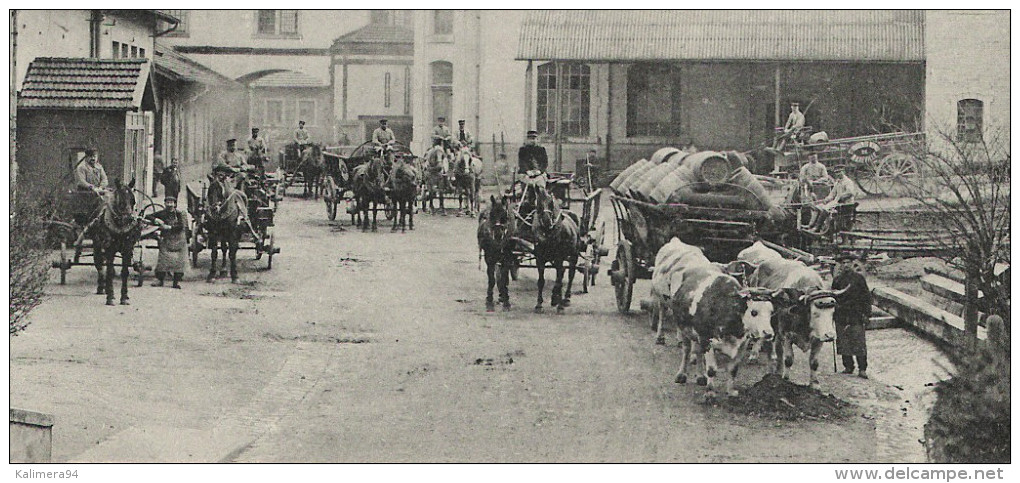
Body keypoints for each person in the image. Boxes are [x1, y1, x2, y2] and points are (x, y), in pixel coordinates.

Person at [832, 252, 871, 379]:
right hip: (842, 314)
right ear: (840, 265)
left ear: (852, 264)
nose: (846, 265)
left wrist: (867, 313)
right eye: (843, 263)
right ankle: (848, 366)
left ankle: (862, 369)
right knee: (844, 341)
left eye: (848, 262)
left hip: (856, 313)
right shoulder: (837, 280)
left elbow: (866, 296)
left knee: (858, 341)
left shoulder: (859, 279)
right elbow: (833, 296)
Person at [147, 196, 188, 289]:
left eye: (171, 202)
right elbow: (147, 216)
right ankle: (160, 280)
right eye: (167, 202)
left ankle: (176, 282)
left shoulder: (180, 214)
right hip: (166, 239)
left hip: (179, 240)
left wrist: (169, 227)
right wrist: (156, 219)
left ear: (175, 204)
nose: (169, 204)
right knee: (163, 260)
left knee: (179, 261)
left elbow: (181, 226)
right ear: (165, 204)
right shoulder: (162, 213)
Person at [805, 169, 862, 233]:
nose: (838, 174)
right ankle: (811, 225)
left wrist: (841, 197)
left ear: (843, 172)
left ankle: (817, 228)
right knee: (818, 207)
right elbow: (832, 194)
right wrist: (827, 199)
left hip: (845, 204)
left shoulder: (848, 182)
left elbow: (850, 193)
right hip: (836, 203)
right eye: (836, 172)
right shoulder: (837, 182)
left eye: (839, 172)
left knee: (825, 209)